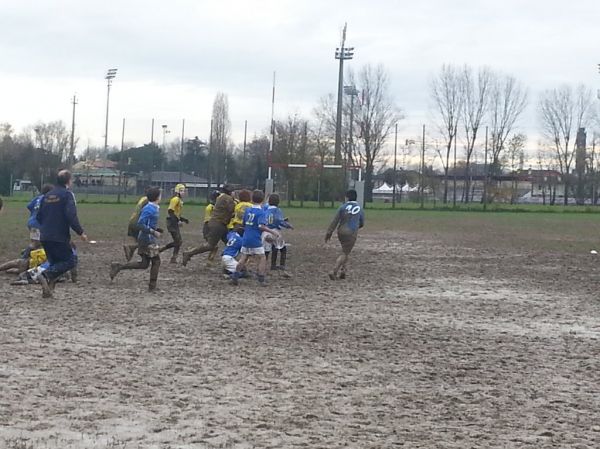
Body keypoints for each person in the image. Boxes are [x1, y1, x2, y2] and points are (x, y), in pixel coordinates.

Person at [37, 170, 88, 298]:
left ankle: (48, 290)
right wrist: (80, 232)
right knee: (70, 260)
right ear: (68, 181)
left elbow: (38, 216)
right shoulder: (67, 195)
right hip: (59, 236)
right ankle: (45, 275)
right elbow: (71, 215)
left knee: (55, 263)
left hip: (44, 235)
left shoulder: (47, 196)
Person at [110, 187, 163, 291]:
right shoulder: (149, 208)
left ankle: (118, 266)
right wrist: (153, 232)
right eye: (160, 195)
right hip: (147, 239)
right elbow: (140, 224)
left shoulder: (154, 207)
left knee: (144, 264)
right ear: (157, 197)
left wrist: (156, 229)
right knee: (156, 261)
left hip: (147, 238)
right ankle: (152, 287)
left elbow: (148, 223)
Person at [230, 190, 277, 287]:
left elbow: (243, 223)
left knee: (244, 257)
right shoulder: (261, 213)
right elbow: (261, 226)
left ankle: (235, 276)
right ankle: (261, 278)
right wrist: (272, 232)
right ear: (262, 200)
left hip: (246, 237)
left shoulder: (248, 210)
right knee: (262, 258)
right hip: (255, 239)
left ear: (252, 199)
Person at [182, 184, 235, 266]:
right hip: (218, 224)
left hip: (219, 223)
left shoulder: (222, 197)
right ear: (230, 192)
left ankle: (232, 261)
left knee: (229, 242)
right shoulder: (227, 198)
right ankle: (189, 253)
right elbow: (232, 210)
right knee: (210, 245)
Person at [325, 189, 364, 280]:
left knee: (345, 250)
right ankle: (334, 271)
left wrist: (329, 232)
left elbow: (335, 221)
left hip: (341, 232)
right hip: (351, 232)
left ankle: (343, 271)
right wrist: (357, 226)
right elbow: (362, 222)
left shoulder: (342, 207)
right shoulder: (359, 208)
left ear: (347, 197)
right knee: (345, 252)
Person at [264, 193, 294, 273]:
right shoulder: (277, 210)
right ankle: (280, 265)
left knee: (266, 249)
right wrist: (288, 225)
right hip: (275, 231)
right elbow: (279, 221)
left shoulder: (265, 208)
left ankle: (263, 265)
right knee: (281, 247)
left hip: (265, 230)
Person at [159, 184, 189, 263]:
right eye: (181, 191)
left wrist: (183, 219)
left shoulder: (179, 200)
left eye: (184, 191)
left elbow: (176, 213)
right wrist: (177, 221)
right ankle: (162, 250)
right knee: (178, 241)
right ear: (177, 191)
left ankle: (173, 257)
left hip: (174, 222)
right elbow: (170, 211)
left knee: (178, 241)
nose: (183, 192)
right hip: (171, 222)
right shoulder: (175, 199)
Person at [123, 189, 149, 261]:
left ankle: (129, 257)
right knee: (145, 242)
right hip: (138, 222)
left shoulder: (143, 199)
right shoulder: (148, 201)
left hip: (132, 221)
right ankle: (131, 248)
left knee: (137, 241)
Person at [26, 184, 53, 249]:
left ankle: (33, 255)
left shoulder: (38, 198)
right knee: (36, 243)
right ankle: (25, 255)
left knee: (36, 242)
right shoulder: (47, 199)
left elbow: (29, 206)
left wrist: (34, 212)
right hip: (37, 224)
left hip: (31, 222)